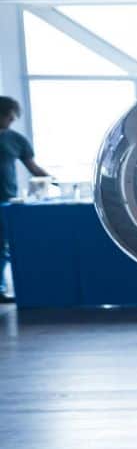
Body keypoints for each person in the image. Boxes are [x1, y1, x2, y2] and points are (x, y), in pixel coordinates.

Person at [0, 97, 52, 304]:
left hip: (6, 199)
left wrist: (54, 182)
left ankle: (0, 288)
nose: (11, 121)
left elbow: (33, 168)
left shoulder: (15, 139)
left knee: (2, 245)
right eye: (9, 116)